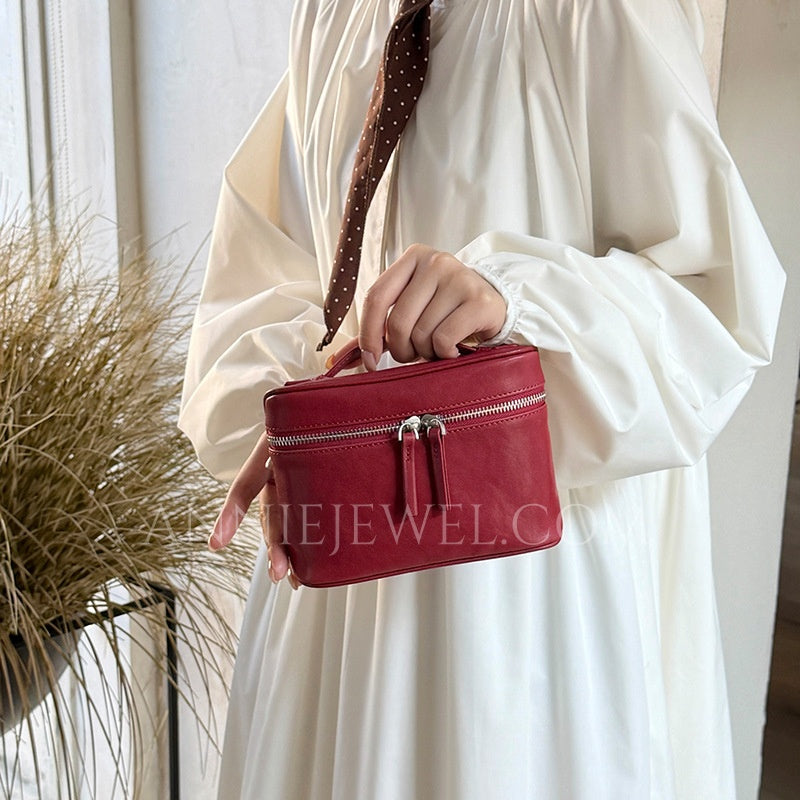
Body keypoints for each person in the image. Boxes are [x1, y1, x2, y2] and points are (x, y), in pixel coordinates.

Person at [177, 1, 785, 797]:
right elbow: (265, 267)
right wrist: (301, 411)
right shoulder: (335, 12)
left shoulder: (598, 11)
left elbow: (714, 306)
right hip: (340, 575)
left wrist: (514, 303)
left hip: (530, 591)